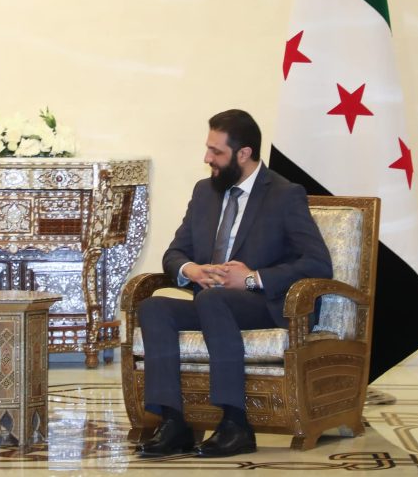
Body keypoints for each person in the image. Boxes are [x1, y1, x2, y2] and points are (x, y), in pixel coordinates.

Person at [137, 109, 331, 458]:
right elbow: (175, 253)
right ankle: (174, 422)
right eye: (208, 148)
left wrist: (252, 279)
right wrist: (192, 270)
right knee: (154, 308)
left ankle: (235, 424)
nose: (207, 158)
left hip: (263, 305)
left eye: (216, 151)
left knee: (213, 301)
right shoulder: (204, 192)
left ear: (244, 153)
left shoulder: (285, 194)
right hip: (211, 303)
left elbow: (318, 263)